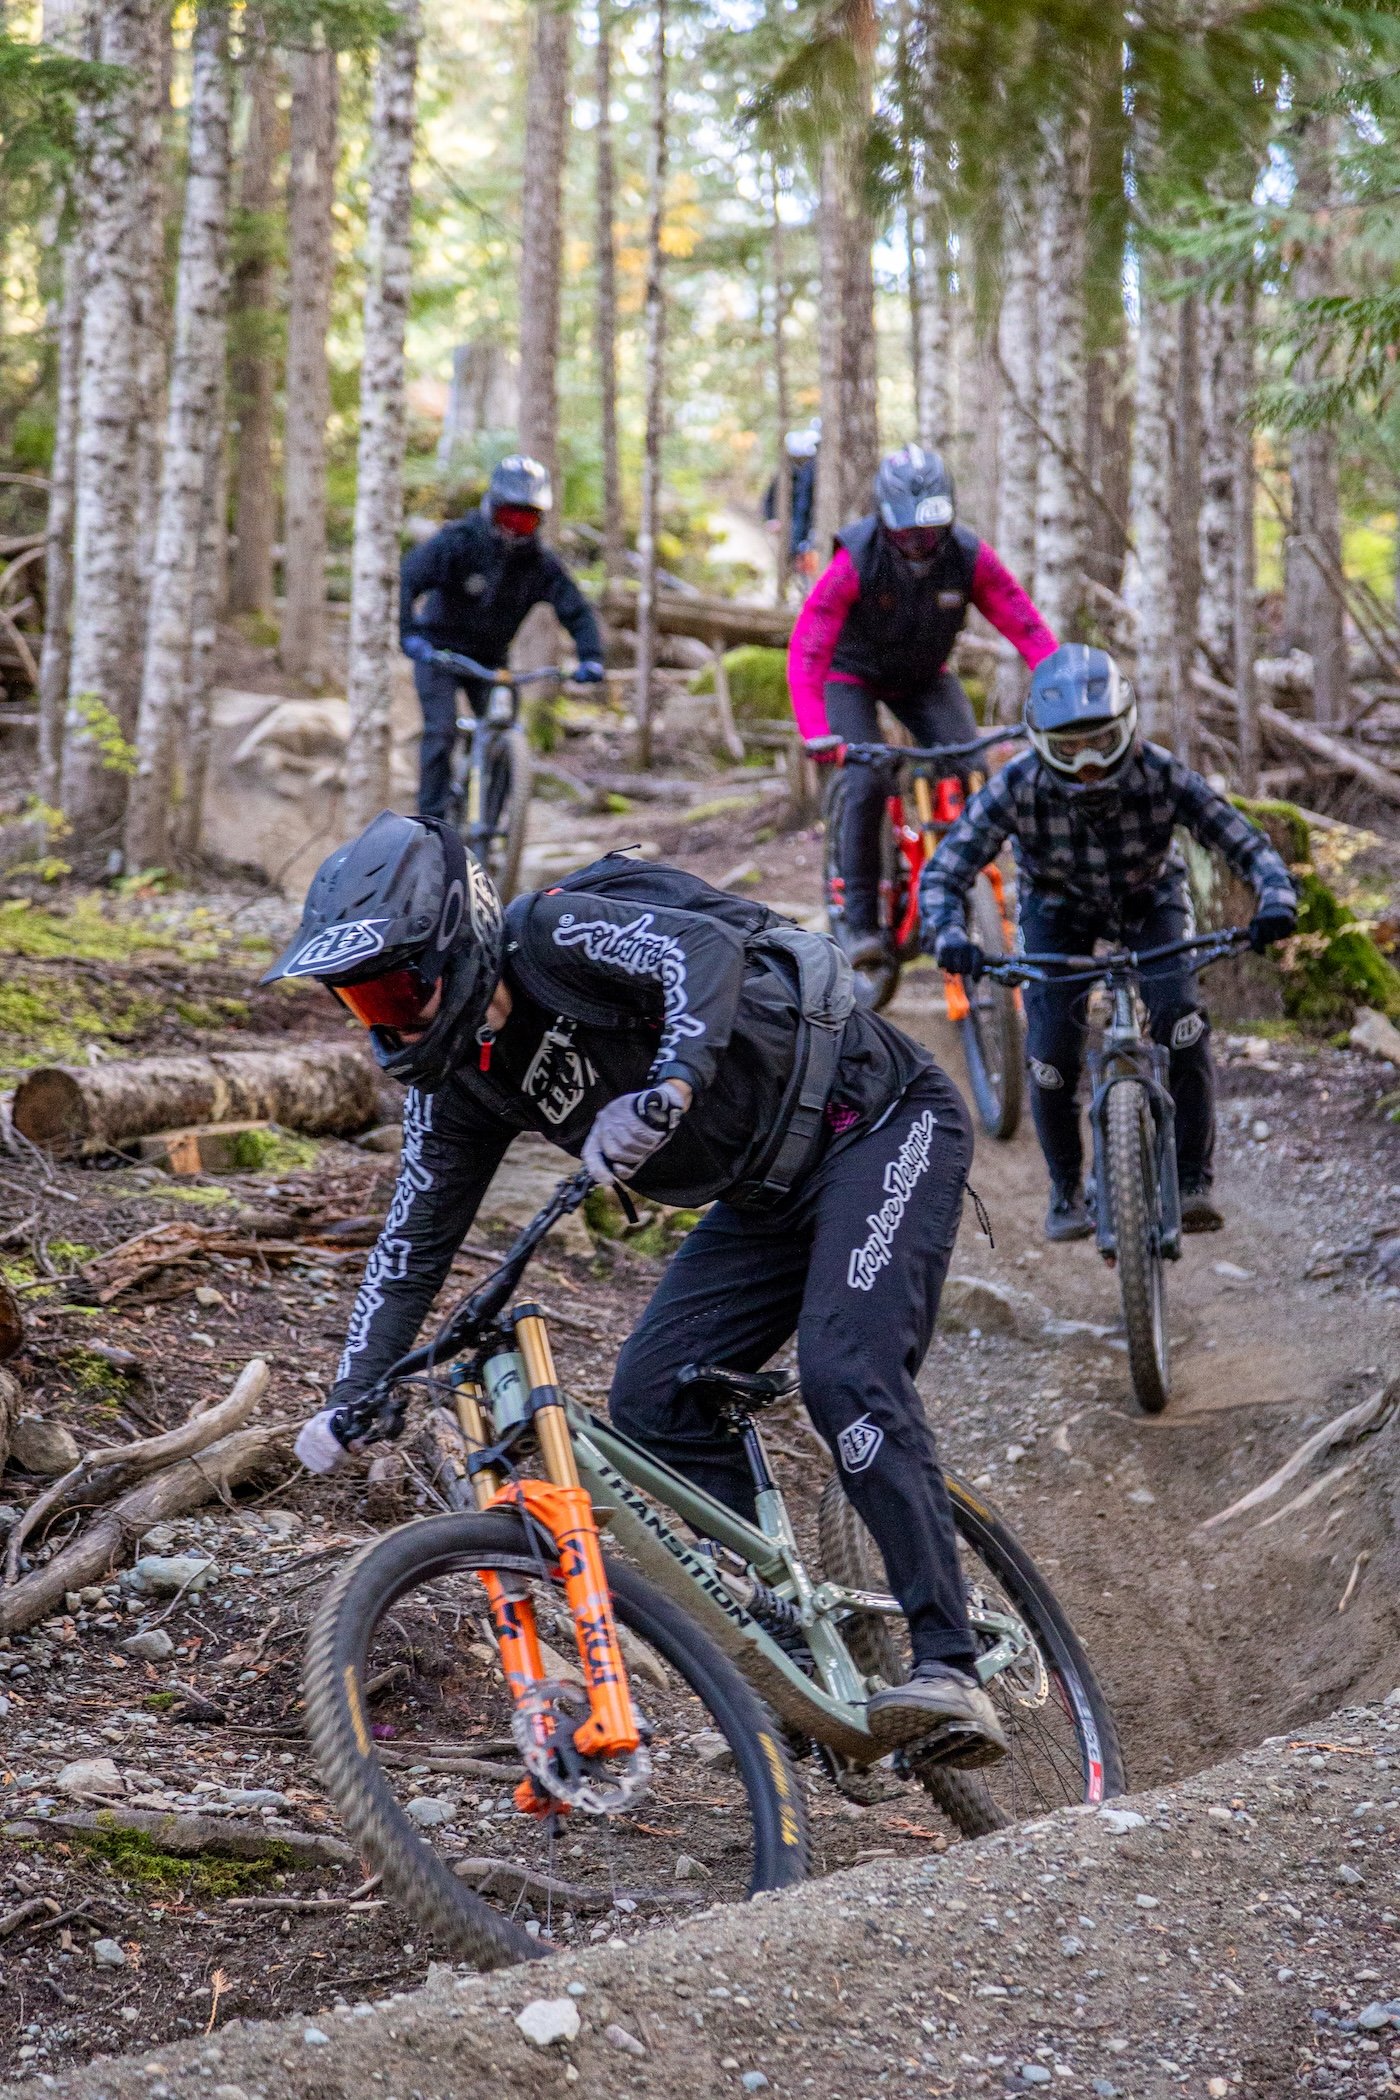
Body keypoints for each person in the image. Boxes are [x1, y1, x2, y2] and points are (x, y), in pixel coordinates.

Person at [271, 809, 1009, 1768]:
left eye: (398, 987)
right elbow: (411, 1244)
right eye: (360, 1003)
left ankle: (949, 1661)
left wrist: (668, 1086)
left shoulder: (553, 932)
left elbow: (699, 955)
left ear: (457, 943)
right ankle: (794, 1624)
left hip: (878, 1124)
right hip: (759, 1195)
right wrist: (353, 1391)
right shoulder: (458, 1088)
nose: (392, 1021)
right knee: (653, 1397)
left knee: (845, 1372)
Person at [920, 644, 1299, 1241]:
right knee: (1049, 1053)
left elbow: (1244, 842)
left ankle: (1194, 1180)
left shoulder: (1161, 772)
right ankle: (1065, 1187)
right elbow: (946, 870)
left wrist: (1276, 897)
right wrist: (946, 933)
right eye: (1070, 747)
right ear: (1041, 741)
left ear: (1126, 729)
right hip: (1056, 910)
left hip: (1149, 899)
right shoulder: (1017, 784)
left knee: (1181, 1021)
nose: (1090, 761)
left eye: (1101, 739)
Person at [787, 443, 1058, 969]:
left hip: (923, 676)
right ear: (886, 523)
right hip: (851, 676)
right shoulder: (855, 561)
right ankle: (861, 920)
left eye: (931, 531)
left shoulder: (968, 557)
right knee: (867, 780)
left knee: (971, 767)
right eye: (909, 533)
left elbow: (1024, 624)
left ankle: (952, 899)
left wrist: (1060, 692)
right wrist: (817, 731)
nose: (921, 544)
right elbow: (810, 646)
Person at [400, 455, 605, 820]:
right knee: (441, 731)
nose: (514, 529)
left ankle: (489, 832)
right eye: (508, 517)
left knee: (508, 735)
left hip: (492, 659)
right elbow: (407, 580)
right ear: (491, 507)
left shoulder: (541, 565)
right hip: (439, 653)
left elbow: (577, 610)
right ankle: (429, 826)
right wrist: (410, 635)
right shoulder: (457, 543)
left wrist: (591, 657)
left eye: (524, 520)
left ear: (538, 521)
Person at [763, 422, 820, 567]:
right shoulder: (784, 475)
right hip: (793, 529)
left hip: (806, 532)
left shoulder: (813, 471)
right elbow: (769, 499)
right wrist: (772, 518)